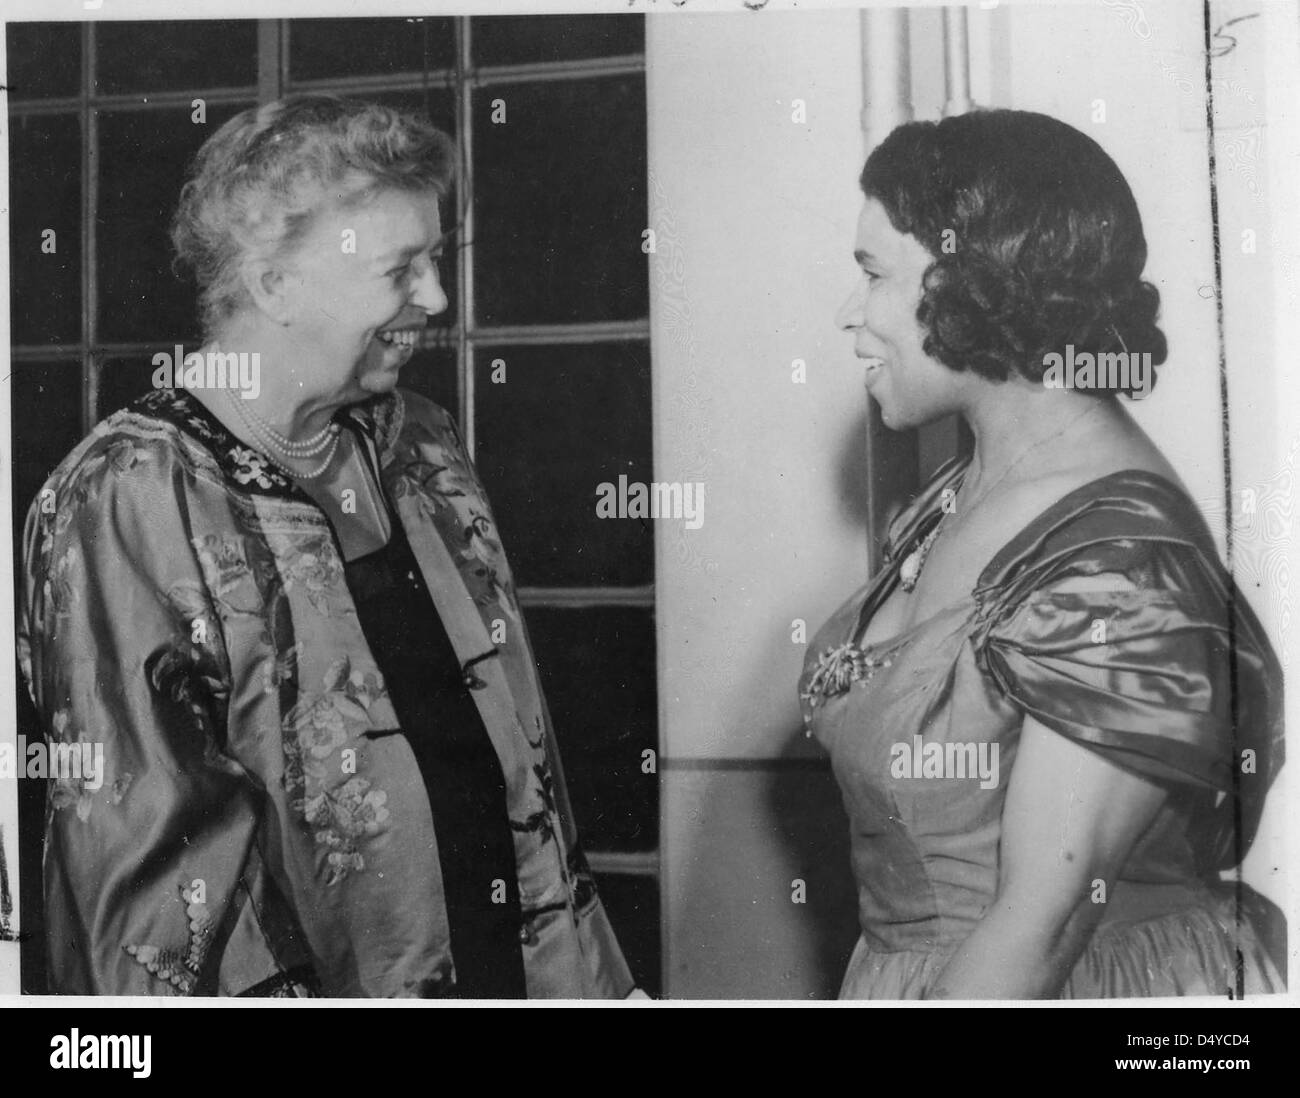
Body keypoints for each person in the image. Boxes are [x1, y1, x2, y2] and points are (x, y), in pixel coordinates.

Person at [17, 94, 633, 998]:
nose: (436, 298)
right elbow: (150, 906)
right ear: (273, 285)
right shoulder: (127, 496)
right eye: (400, 270)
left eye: (436, 261)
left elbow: (524, 775)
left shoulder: (419, 441)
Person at [799, 109, 1285, 999]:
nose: (848, 313)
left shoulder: (1118, 571)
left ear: (968, 285)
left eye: (871, 274)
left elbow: (1042, 928)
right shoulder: (962, 490)